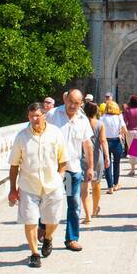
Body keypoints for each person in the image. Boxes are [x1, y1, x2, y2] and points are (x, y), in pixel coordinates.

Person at [8, 102, 68, 268]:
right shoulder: (22, 137)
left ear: (44, 116)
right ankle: (34, 253)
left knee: (54, 219)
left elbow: (63, 160)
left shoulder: (55, 133)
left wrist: (60, 177)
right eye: (31, 116)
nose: (34, 119)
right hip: (29, 185)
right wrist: (13, 189)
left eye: (37, 116)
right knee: (31, 220)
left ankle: (48, 238)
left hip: (52, 184)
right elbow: (14, 165)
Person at [47, 89, 94, 252]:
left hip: (72, 168)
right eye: (70, 101)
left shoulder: (82, 119)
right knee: (51, 202)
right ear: (65, 99)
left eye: (76, 103)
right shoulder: (53, 115)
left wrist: (90, 167)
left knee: (73, 204)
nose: (73, 105)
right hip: (53, 168)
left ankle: (72, 238)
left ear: (81, 103)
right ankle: (44, 230)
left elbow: (87, 145)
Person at [83, 100, 108, 220]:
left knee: (84, 185)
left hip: (83, 156)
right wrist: (107, 157)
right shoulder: (100, 124)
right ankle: (94, 208)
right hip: (97, 156)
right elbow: (103, 141)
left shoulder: (80, 123)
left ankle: (87, 213)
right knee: (96, 184)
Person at [100, 99, 126, 193]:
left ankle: (110, 186)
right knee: (116, 163)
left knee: (107, 163)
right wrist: (120, 134)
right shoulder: (119, 117)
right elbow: (124, 129)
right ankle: (115, 184)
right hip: (116, 141)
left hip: (105, 141)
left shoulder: (102, 118)